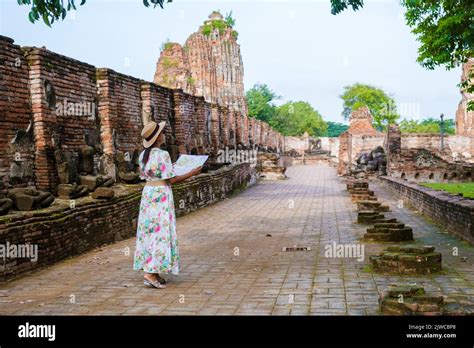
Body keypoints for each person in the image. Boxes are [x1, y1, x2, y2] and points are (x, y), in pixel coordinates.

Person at [133, 121, 201, 289]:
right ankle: (150, 273)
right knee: (161, 232)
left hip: (148, 194)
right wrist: (192, 172)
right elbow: (172, 179)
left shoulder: (143, 155)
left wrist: (173, 168)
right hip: (161, 195)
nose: (164, 135)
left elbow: (150, 174)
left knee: (149, 231)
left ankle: (153, 271)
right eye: (162, 133)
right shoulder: (162, 154)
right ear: (157, 138)